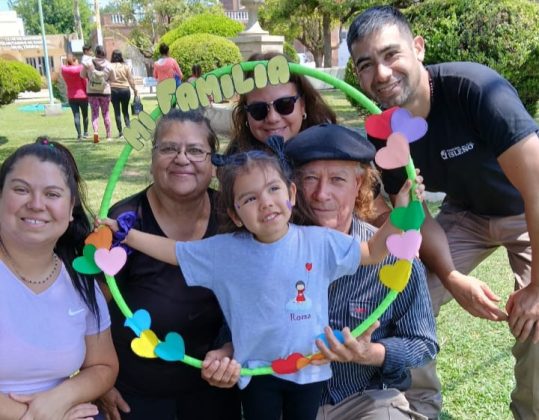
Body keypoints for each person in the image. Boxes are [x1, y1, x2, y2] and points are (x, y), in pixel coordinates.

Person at [100, 133, 423, 420]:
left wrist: (400, 213)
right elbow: (175, 252)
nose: (265, 203)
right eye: (250, 198)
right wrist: (127, 235)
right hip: (256, 372)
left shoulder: (320, 242)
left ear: (291, 194)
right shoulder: (224, 251)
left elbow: (373, 252)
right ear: (235, 215)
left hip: (309, 370)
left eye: (273, 189)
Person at [346, 5, 539, 419]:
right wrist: (451, 276)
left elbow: (537, 188)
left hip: (527, 211)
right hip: (466, 213)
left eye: (391, 54)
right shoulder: (384, 129)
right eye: (366, 64)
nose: (381, 73)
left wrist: (537, 288)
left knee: (537, 323)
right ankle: (418, 409)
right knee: (402, 296)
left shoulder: (475, 89)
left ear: (418, 48)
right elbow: (417, 214)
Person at [284, 123, 438, 420]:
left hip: (364, 399)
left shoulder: (395, 253)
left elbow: (423, 342)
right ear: (294, 186)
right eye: (310, 178)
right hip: (289, 402)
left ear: (359, 185)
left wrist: (371, 354)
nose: (321, 194)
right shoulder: (273, 251)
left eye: (337, 180)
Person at [101, 109, 241, 420]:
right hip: (136, 392)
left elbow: (256, 296)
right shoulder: (125, 220)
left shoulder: (232, 216)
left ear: (213, 164)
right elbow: (94, 311)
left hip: (214, 386)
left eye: (196, 150)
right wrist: (102, 380)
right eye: (168, 148)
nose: (182, 159)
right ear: (152, 160)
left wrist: (231, 350)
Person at [0, 138, 118, 420]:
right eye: (21, 190)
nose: (36, 204)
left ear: (70, 208)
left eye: (52, 194)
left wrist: (61, 398)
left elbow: (103, 366)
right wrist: (33, 416)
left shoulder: (80, 281)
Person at [226, 51, 392, 227]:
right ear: (246, 114)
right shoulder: (237, 163)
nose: (272, 118)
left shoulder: (336, 148)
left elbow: (377, 213)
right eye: (258, 110)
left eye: (285, 105)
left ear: (302, 105)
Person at [81, 45, 114, 143]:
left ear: (95, 53)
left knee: (95, 113)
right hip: (105, 92)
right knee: (106, 113)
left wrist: (89, 76)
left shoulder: (88, 63)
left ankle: (96, 132)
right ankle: (108, 135)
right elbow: (113, 78)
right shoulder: (109, 65)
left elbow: (82, 75)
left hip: (92, 92)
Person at [110, 49, 138, 138]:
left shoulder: (110, 66)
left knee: (117, 112)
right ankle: (128, 129)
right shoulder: (126, 66)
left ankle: (120, 132)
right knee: (125, 111)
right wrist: (134, 89)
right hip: (125, 89)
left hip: (113, 90)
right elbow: (130, 79)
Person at [61, 54, 89, 141]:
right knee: (85, 115)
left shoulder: (65, 71)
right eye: (76, 60)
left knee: (76, 116)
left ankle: (79, 135)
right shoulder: (80, 69)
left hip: (71, 96)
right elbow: (85, 82)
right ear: (74, 61)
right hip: (83, 95)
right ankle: (85, 133)